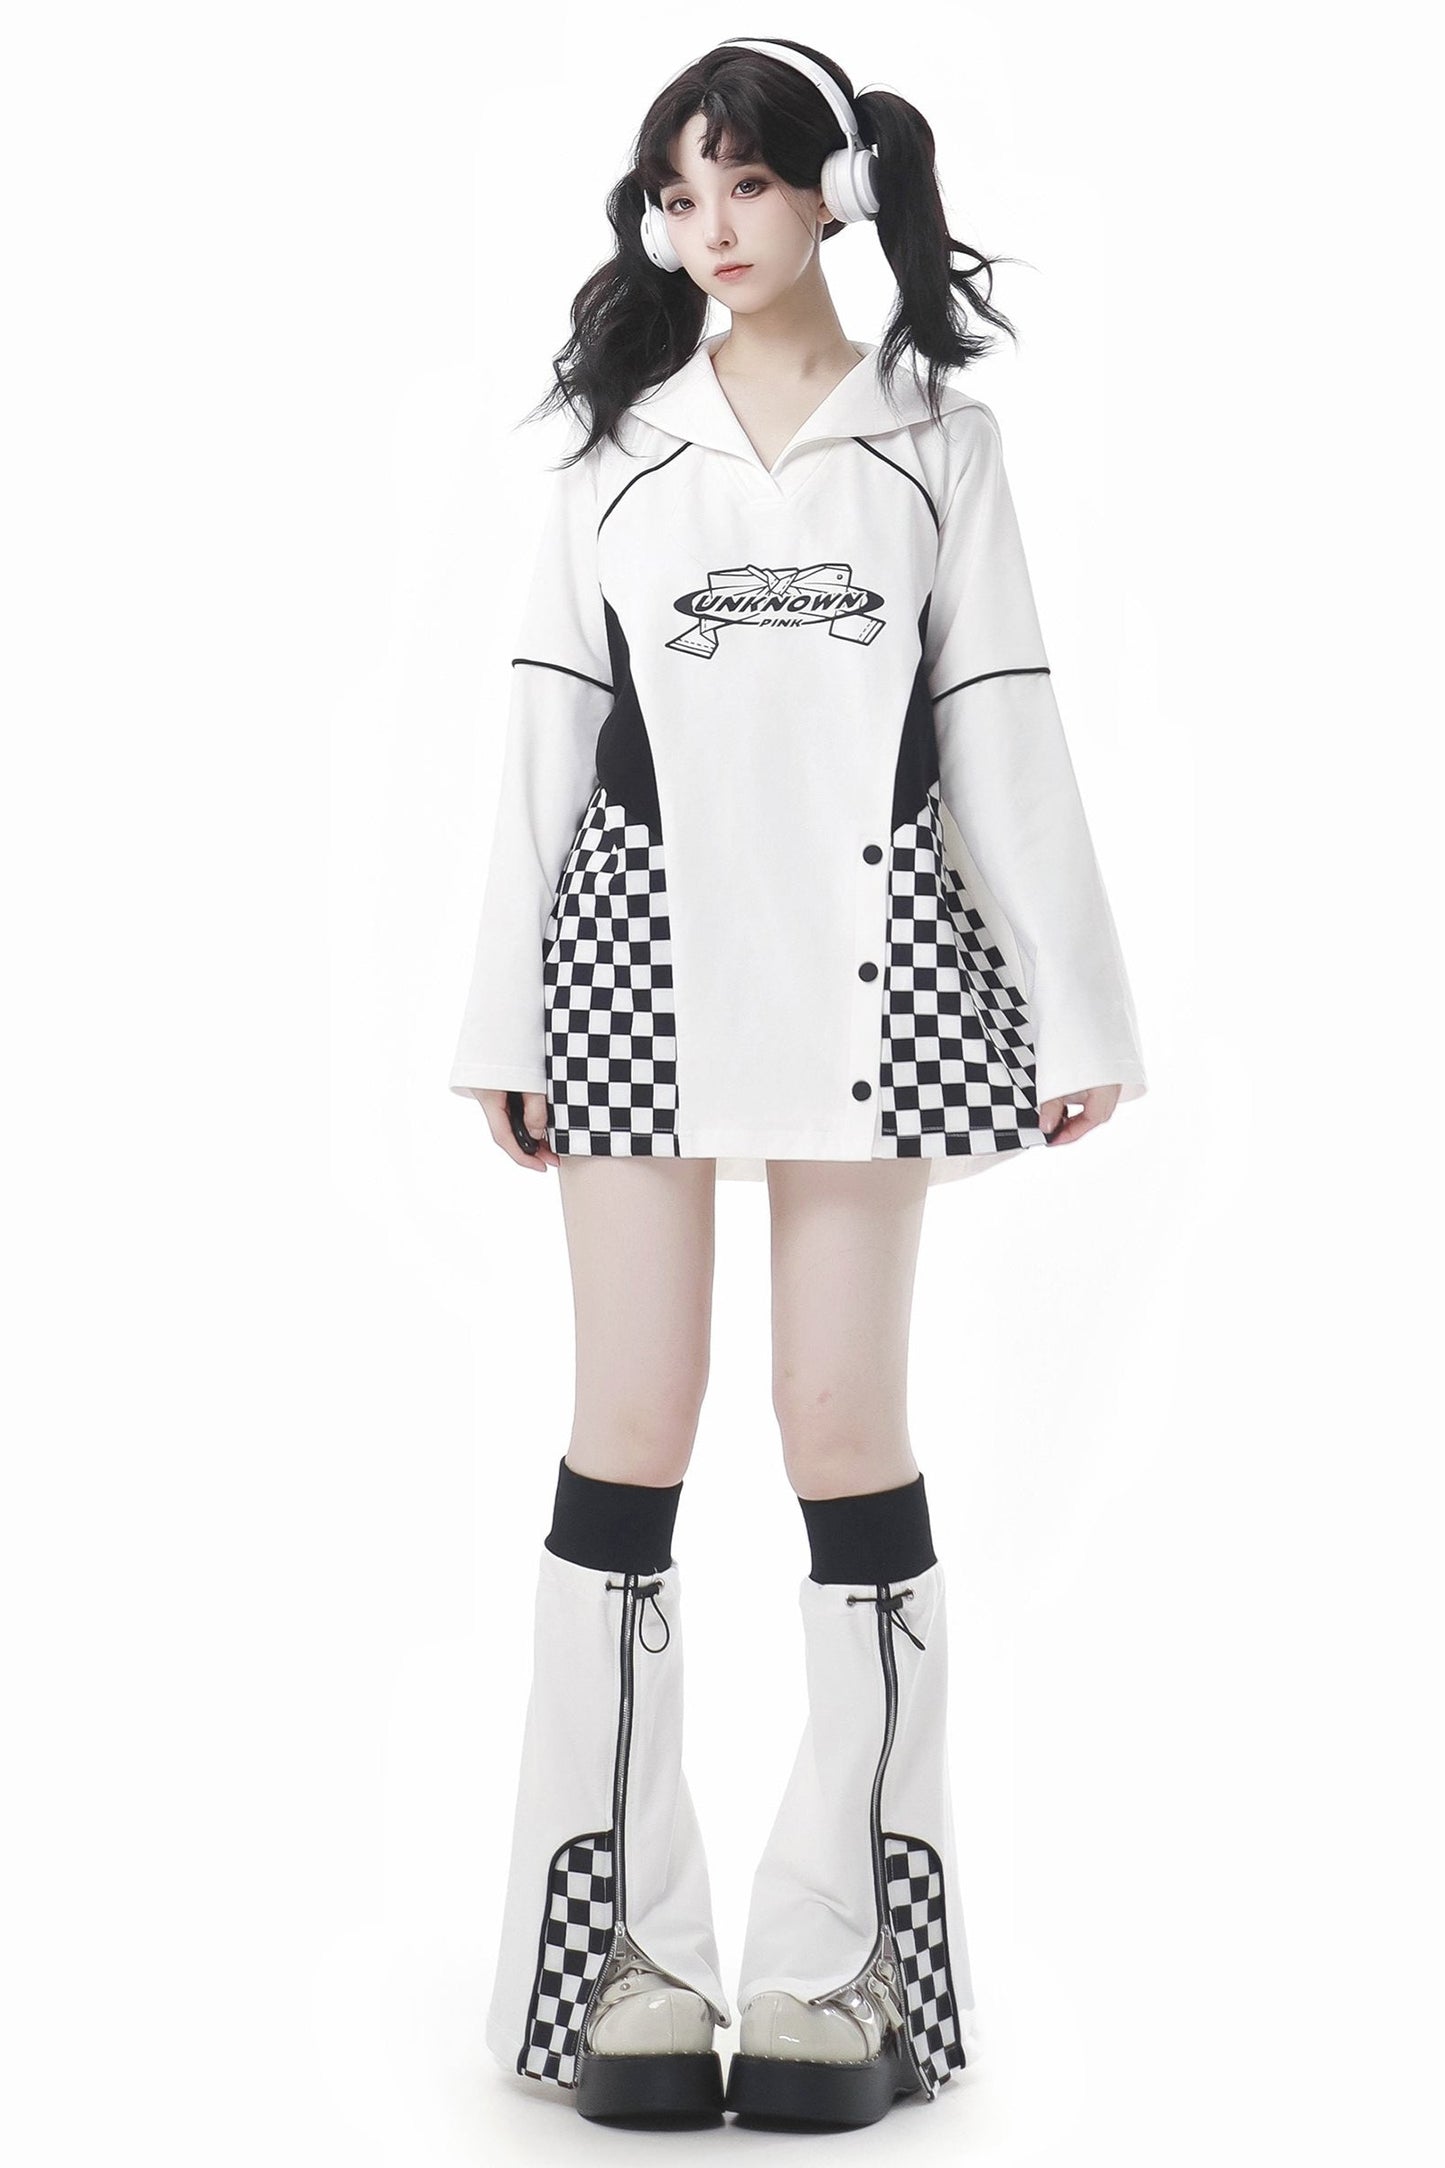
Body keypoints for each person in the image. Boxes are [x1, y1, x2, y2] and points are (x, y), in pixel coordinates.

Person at [448, 37, 1147, 2131]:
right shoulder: (617, 450)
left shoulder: (939, 443)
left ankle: (847, 1959)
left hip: (876, 983)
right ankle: (621, 1957)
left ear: (831, 189)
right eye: (678, 194)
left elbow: (999, 715)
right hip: (629, 975)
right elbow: (544, 735)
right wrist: (497, 1023)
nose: (710, 227)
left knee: (840, 1425)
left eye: (744, 182)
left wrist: (1078, 1009)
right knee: (630, 1428)